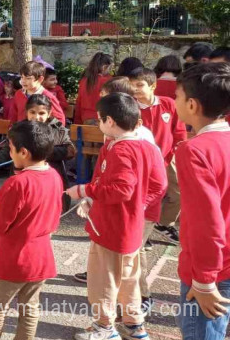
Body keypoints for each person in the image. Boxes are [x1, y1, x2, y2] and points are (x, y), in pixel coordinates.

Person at [67, 93, 167, 340]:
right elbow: (159, 184)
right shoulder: (147, 147)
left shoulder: (121, 150)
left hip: (111, 229)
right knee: (129, 280)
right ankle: (134, 326)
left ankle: (104, 327)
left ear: (109, 120)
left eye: (100, 119)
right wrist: (139, 205)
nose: (99, 123)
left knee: (103, 281)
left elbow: (121, 189)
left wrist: (84, 191)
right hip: (130, 228)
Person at [0, 121, 64, 340]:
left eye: (11, 149)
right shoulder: (54, 175)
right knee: (30, 309)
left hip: (15, 259)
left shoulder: (18, 183)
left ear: (23, 152)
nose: (10, 153)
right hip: (41, 257)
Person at [173, 62, 230, 339]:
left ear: (192, 105)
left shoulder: (194, 150)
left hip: (211, 270)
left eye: (177, 97)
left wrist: (205, 280)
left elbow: (205, 220)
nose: (175, 102)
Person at [0, 94, 75, 212]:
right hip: (23, 179)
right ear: (27, 112)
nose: (36, 117)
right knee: (21, 211)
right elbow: (6, 152)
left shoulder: (58, 129)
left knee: (47, 213)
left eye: (41, 113)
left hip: (47, 180)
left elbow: (70, 151)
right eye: (32, 112)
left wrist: (40, 151)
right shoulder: (19, 130)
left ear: (49, 112)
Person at [129, 68, 186, 245]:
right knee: (142, 195)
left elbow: (179, 132)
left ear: (153, 86)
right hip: (140, 162)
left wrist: (172, 153)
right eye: (132, 86)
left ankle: (163, 223)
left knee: (177, 192)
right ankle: (140, 228)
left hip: (167, 158)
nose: (135, 90)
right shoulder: (130, 107)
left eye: (140, 85)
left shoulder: (168, 104)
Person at [76, 52, 114, 125]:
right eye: (111, 68)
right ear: (104, 67)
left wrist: (77, 122)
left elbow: (79, 102)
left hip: (86, 119)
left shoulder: (84, 80)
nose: (111, 70)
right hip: (104, 120)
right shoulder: (109, 81)